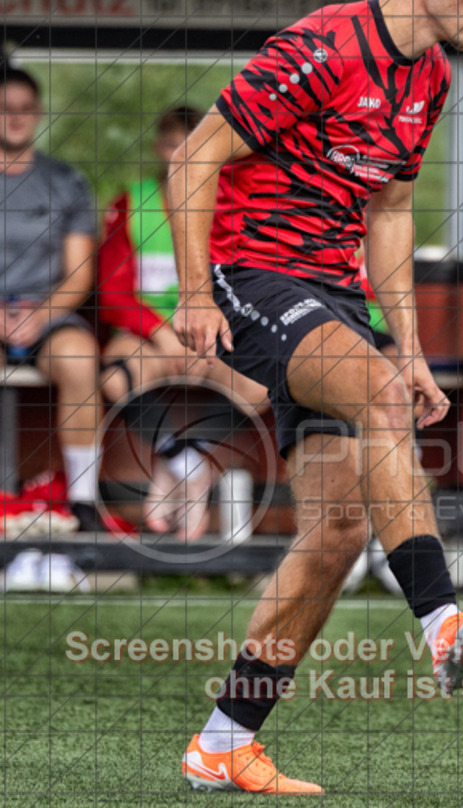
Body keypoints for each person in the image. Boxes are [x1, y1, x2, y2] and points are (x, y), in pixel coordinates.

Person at [169, 0, 463, 795]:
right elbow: (193, 154)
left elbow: (393, 212)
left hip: (332, 298)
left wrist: (403, 343)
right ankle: (442, 619)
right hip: (250, 275)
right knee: (372, 397)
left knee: (330, 536)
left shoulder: (432, 76)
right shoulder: (324, 46)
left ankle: (223, 742)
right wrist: (194, 293)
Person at [98, 106, 268, 540]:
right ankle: (187, 466)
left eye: (195, 148)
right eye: (175, 145)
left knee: (267, 379)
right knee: (118, 374)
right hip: (148, 335)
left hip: (215, 335)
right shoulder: (132, 203)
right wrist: (161, 335)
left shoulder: (237, 207)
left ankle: (181, 468)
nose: (183, 157)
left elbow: (252, 287)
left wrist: (207, 337)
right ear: (159, 148)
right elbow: (113, 293)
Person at [0, 66, 102, 537]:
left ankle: (83, 503)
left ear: (37, 114)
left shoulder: (66, 182)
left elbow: (79, 272)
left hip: (48, 315)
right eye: (6, 109)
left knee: (82, 360)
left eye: (24, 109)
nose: (15, 118)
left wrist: (38, 314)